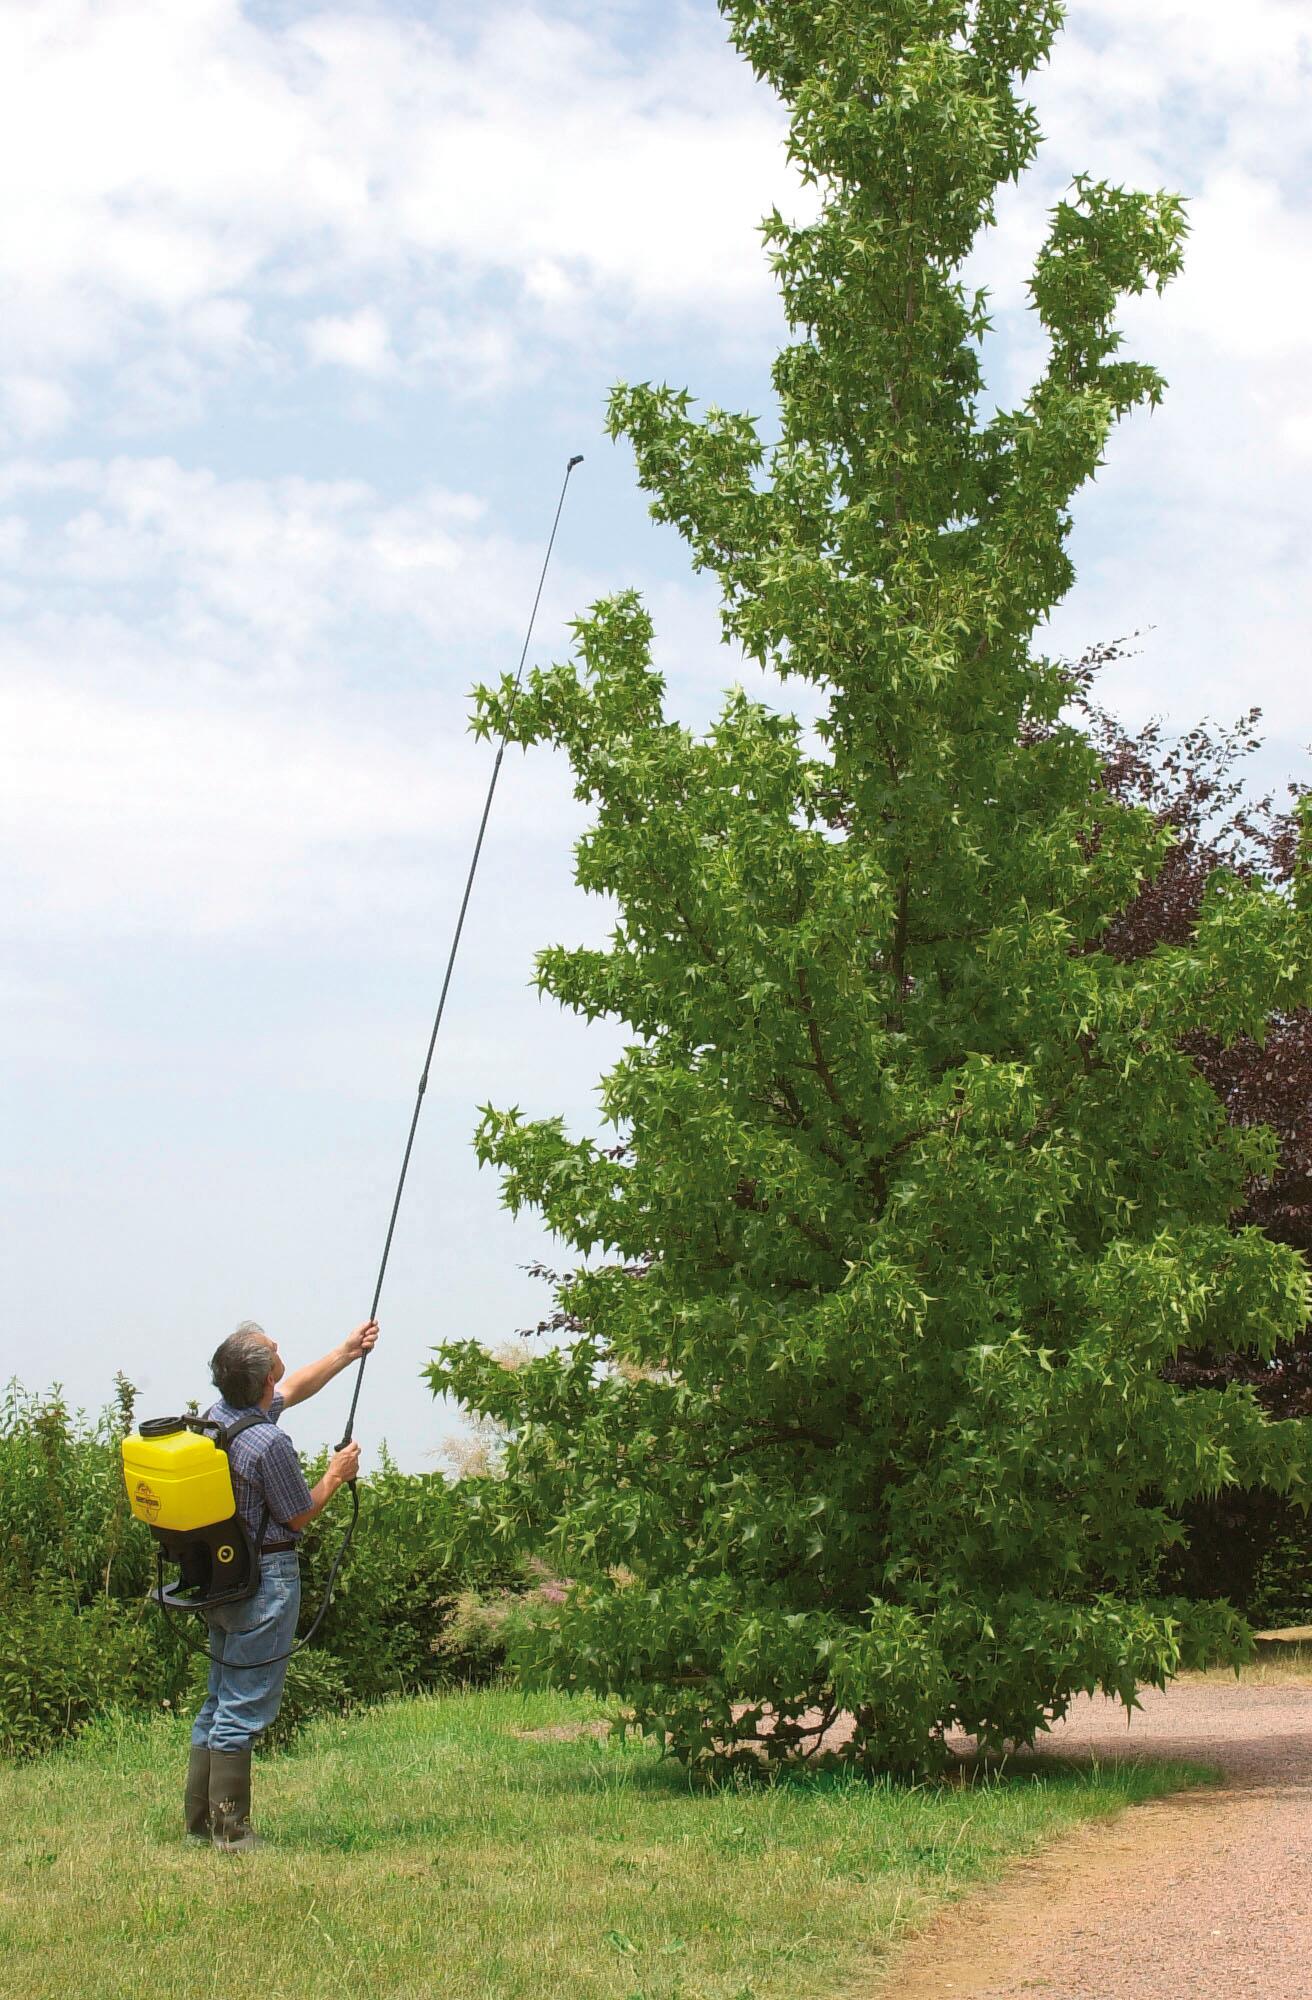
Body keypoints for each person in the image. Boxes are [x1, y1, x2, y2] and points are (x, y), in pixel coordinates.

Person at [186, 1316, 377, 1852]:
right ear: (265, 1376)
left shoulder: (218, 1420)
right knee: (242, 1706)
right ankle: (232, 1832)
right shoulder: (268, 1443)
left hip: (221, 1577)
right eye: (273, 1350)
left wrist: (346, 1351)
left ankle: (200, 1823)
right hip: (265, 1583)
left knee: (218, 1701)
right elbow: (297, 1515)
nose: (278, 1349)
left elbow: (293, 1389)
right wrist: (335, 1475)